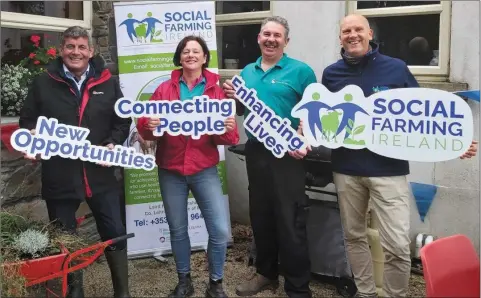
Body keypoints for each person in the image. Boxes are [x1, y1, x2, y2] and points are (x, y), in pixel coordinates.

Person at [320, 14, 478, 298]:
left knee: (395, 244)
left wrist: (457, 142)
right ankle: (366, 292)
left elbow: (425, 117)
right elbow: (325, 117)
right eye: (346, 31)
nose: (352, 35)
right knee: (353, 237)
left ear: (370, 33)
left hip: (389, 171)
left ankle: (395, 295)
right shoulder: (331, 74)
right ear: (340, 36)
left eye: (358, 29)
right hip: (346, 167)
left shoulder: (396, 68)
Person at [19, 26, 132, 298]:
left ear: (91, 52)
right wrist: (31, 138)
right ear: (61, 50)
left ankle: (123, 292)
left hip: (101, 173)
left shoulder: (108, 81)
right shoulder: (43, 81)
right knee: (65, 238)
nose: (76, 52)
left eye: (82, 47)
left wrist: (113, 143)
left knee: (115, 231)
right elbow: (27, 120)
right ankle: (74, 292)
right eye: (70, 46)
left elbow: (122, 120)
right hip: (60, 173)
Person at [136, 35, 239, 298]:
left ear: (205, 57)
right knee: (178, 228)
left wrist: (226, 129)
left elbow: (228, 138)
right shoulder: (164, 90)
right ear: (179, 58)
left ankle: (215, 282)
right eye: (185, 51)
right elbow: (146, 127)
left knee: (219, 229)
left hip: (203, 169)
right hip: (170, 169)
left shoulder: (218, 90)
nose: (190, 55)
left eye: (196, 51)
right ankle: (184, 280)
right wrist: (149, 125)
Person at [223, 16, 317, 298]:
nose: (271, 39)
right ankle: (265, 273)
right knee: (261, 216)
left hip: (288, 154)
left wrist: (304, 134)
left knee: (290, 220)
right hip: (257, 152)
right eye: (266, 34)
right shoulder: (247, 73)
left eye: (277, 35)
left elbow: (315, 112)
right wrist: (234, 97)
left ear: (286, 41)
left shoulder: (301, 71)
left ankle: (298, 287)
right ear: (258, 38)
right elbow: (241, 112)